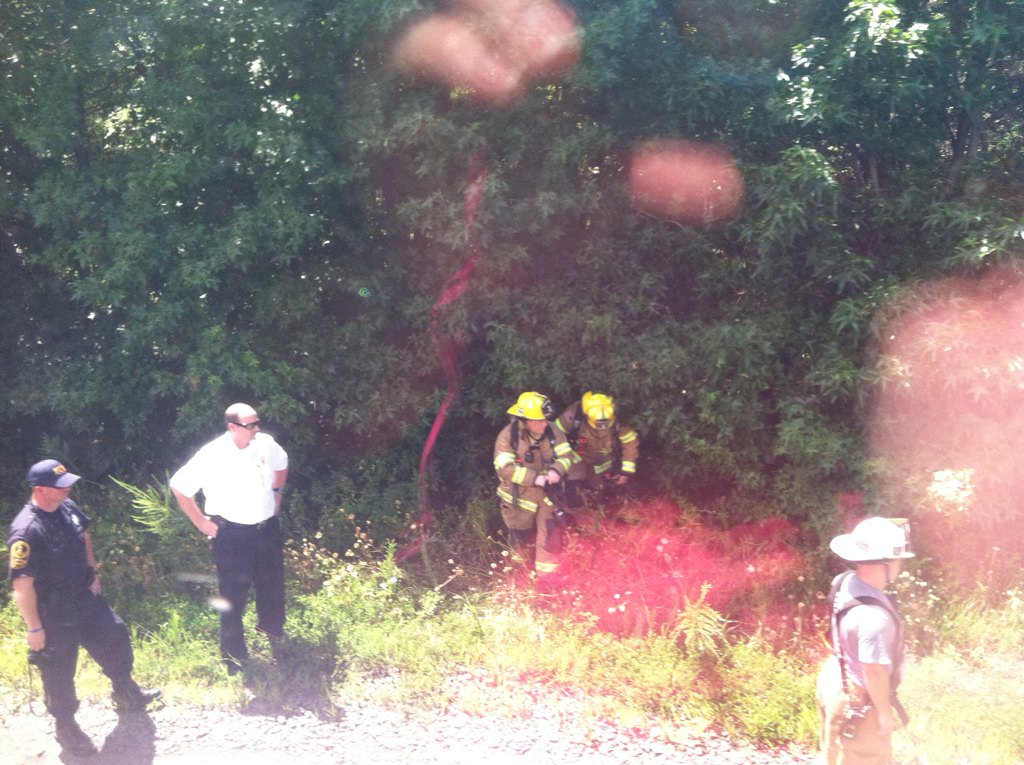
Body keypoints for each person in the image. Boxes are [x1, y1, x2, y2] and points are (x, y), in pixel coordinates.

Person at [7, 459, 161, 757]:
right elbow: (22, 586)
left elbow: (84, 535)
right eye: (60, 485)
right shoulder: (26, 531)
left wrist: (93, 572)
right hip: (54, 611)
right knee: (59, 669)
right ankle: (66, 726)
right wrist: (34, 628)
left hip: (84, 597)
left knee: (114, 635)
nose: (68, 488)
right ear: (40, 489)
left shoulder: (66, 507)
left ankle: (125, 691)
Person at [170, 403, 288, 674]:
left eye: (257, 422)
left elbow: (282, 464)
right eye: (250, 425)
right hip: (233, 535)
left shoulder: (265, 444)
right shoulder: (213, 454)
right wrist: (200, 521)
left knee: (272, 584)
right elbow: (179, 486)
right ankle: (234, 657)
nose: (256, 428)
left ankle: (273, 633)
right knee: (233, 595)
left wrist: (277, 495)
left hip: (266, 528)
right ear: (232, 427)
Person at [816, 516, 914, 765]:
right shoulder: (874, 617)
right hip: (861, 702)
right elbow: (874, 671)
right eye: (898, 559)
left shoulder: (845, 581)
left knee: (832, 753)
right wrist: (884, 713)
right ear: (885, 563)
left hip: (835, 681)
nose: (901, 564)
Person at [493, 392, 575, 588]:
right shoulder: (508, 437)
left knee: (550, 540)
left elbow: (566, 456)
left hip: (548, 497)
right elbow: (504, 468)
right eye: (539, 421)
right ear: (526, 421)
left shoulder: (554, 431)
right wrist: (534, 478)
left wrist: (556, 470)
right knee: (520, 543)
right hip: (520, 501)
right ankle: (519, 583)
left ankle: (548, 585)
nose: (545, 424)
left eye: (545, 419)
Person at [555, 391, 639, 508]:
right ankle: (574, 507)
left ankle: (598, 509)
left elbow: (629, 443)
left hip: (603, 460)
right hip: (577, 456)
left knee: (600, 491)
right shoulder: (576, 414)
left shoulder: (618, 418)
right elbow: (556, 433)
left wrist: (626, 472)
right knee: (572, 488)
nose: (601, 429)